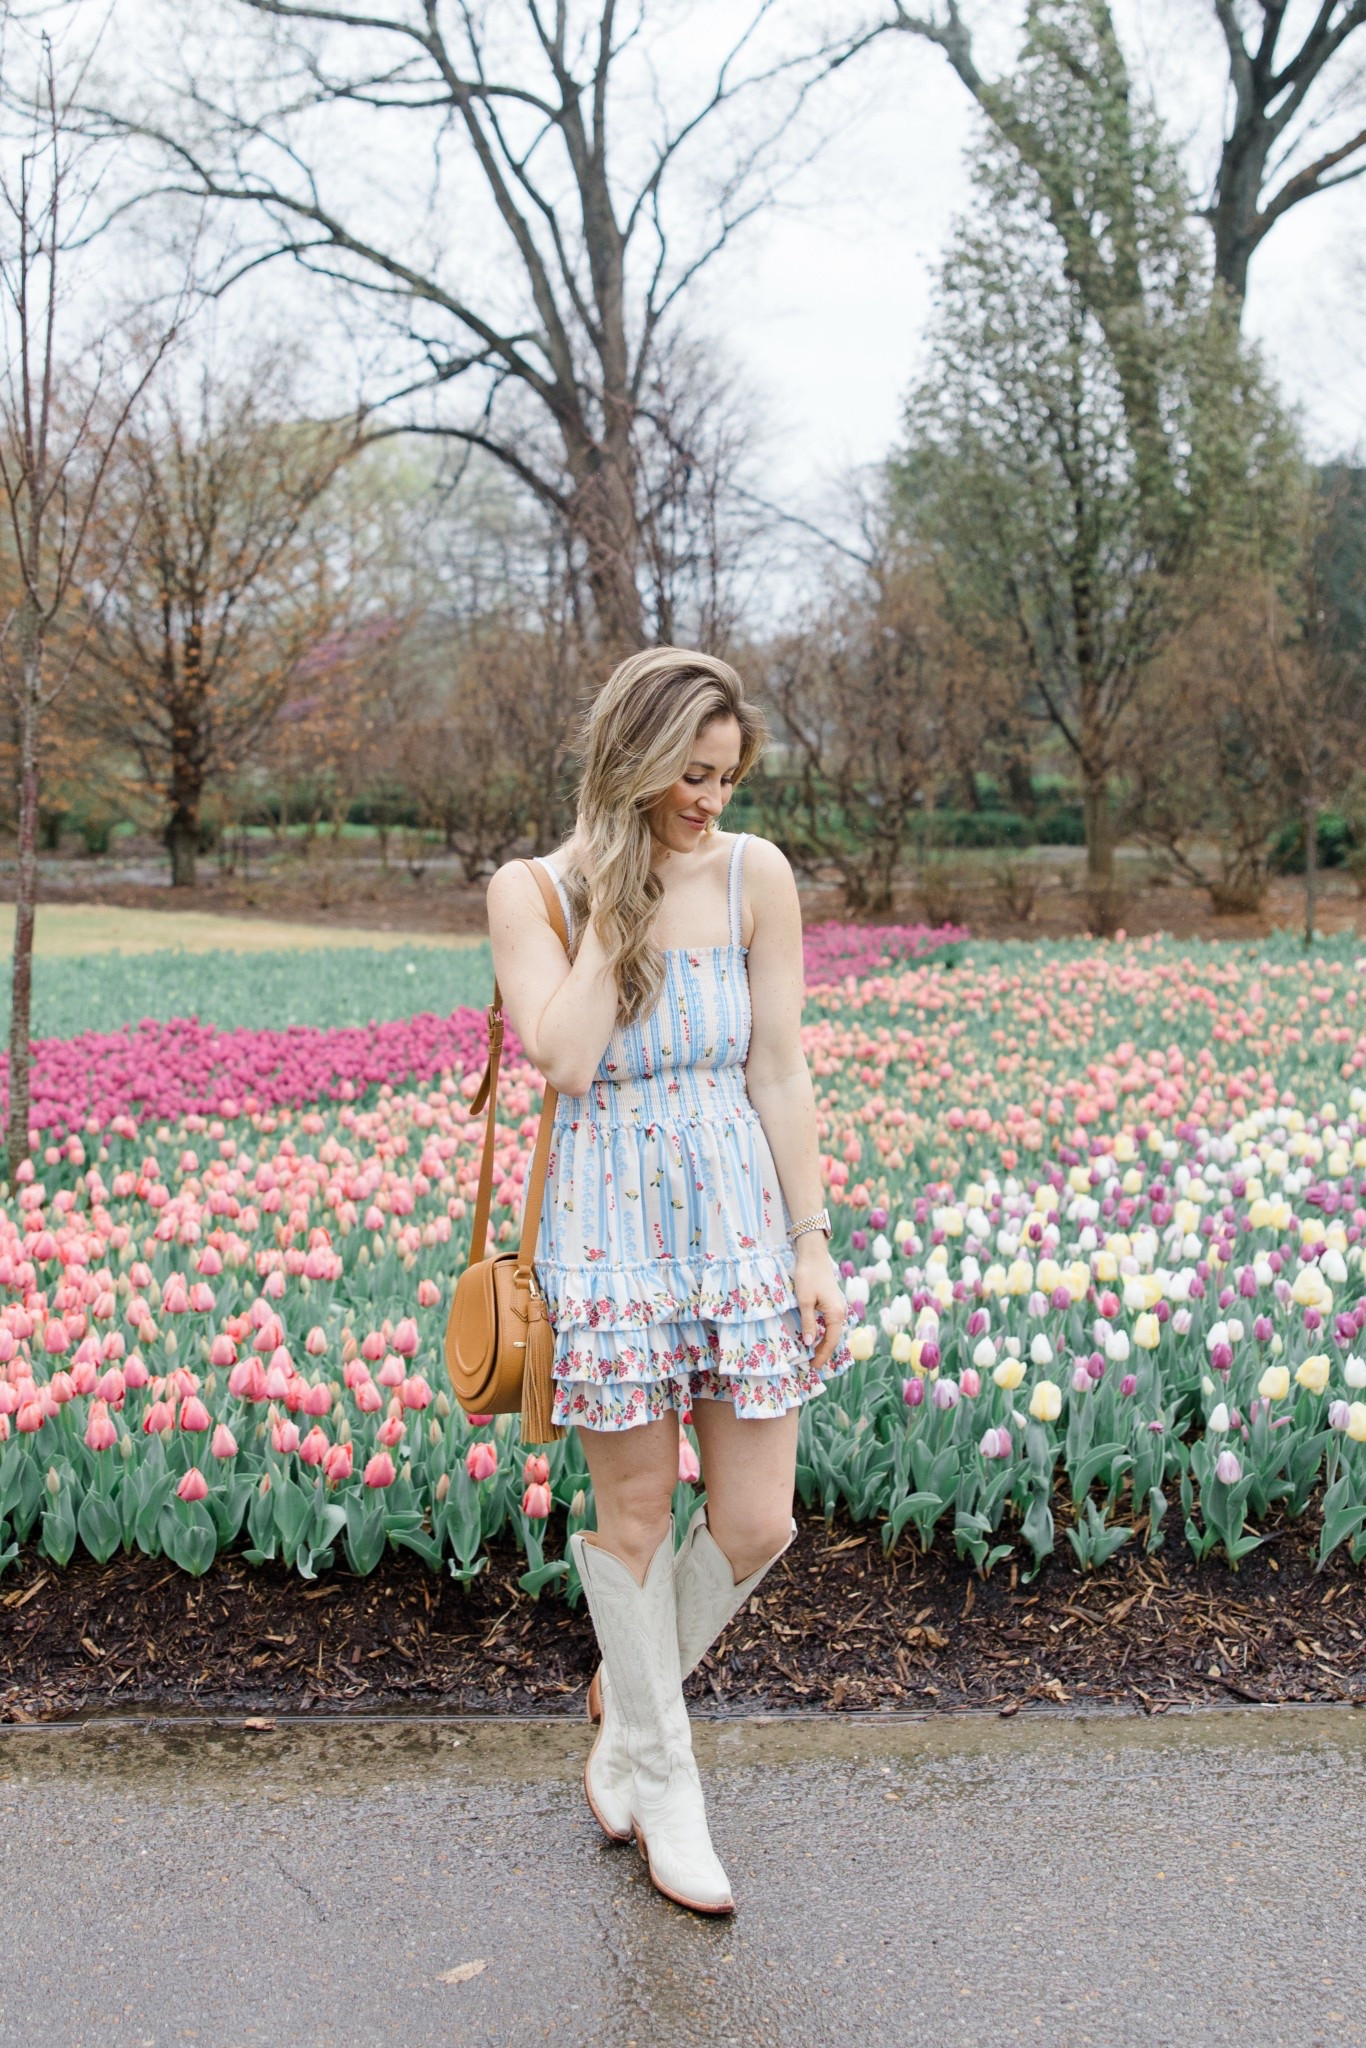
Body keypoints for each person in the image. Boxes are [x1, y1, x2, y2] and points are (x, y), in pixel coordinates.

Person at [486, 646, 851, 1916]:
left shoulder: (756, 874)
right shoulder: (533, 891)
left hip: (736, 1221)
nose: (711, 799)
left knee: (756, 1519)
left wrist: (810, 1239)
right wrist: (620, 896)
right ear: (630, 762)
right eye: (690, 774)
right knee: (635, 1512)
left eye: (726, 775)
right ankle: (665, 1780)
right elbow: (565, 1057)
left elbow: (779, 1067)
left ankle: (628, 1703)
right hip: (610, 1234)